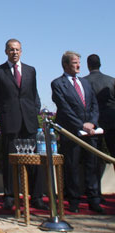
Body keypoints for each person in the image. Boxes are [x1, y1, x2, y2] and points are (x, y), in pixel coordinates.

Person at [0, 39, 47, 210]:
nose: (14, 52)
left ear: (21, 51)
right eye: (11, 49)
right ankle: (10, 196)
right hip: (10, 122)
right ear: (6, 51)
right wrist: (5, 116)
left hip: (29, 122)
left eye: (17, 49)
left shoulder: (30, 70)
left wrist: (34, 111)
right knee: (10, 162)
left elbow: (34, 95)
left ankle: (36, 197)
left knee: (33, 161)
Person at [51, 51, 103, 213]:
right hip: (72, 132)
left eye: (79, 62)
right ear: (66, 65)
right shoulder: (58, 84)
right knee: (72, 167)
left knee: (92, 166)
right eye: (74, 62)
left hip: (91, 132)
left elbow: (94, 104)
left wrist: (92, 123)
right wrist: (81, 125)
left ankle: (94, 199)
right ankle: (73, 200)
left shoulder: (86, 83)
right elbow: (64, 108)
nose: (78, 65)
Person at [83, 54, 115, 201]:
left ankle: (95, 193)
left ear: (88, 65)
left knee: (93, 160)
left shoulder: (84, 82)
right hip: (112, 122)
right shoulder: (111, 81)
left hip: (93, 125)